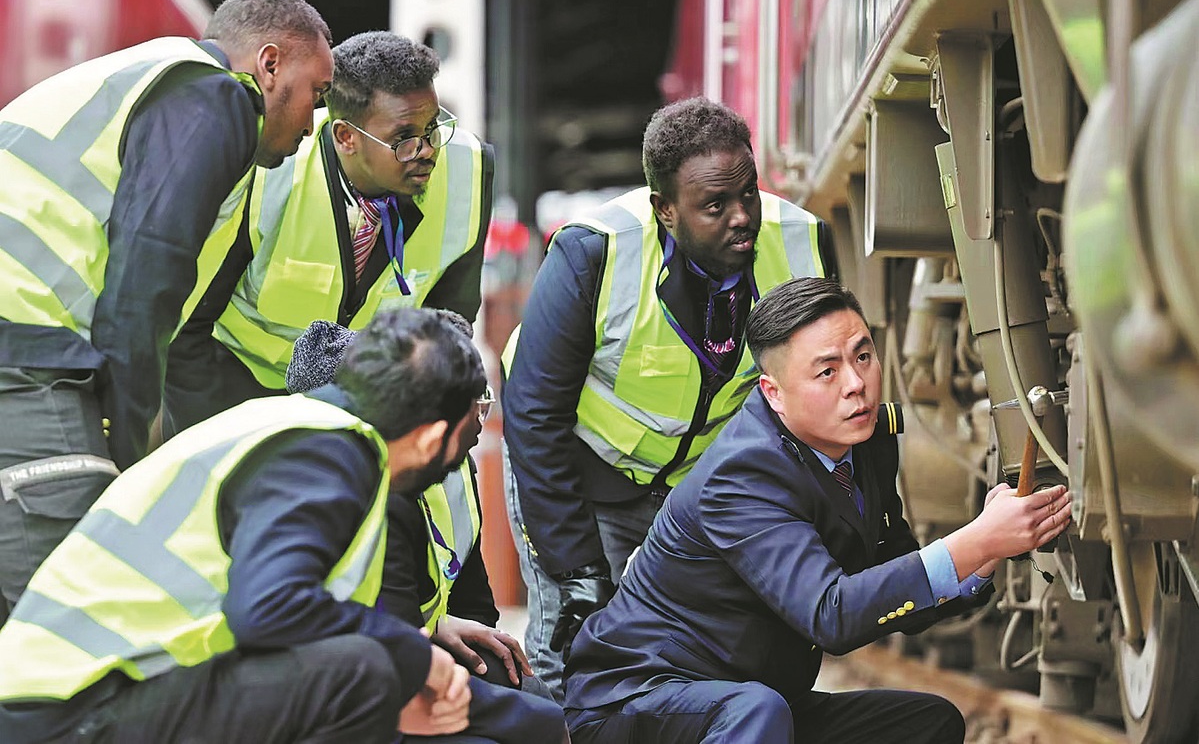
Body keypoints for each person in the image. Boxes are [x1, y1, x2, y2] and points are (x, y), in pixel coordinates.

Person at [0, 308, 565, 744]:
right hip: (75, 711)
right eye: (472, 424)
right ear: (427, 436)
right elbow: (269, 609)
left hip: (87, 695)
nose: (468, 446)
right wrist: (416, 658)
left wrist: (422, 643)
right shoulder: (328, 452)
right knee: (362, 672)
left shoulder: (292, 427)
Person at [563, 277, 1075, 744]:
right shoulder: (741, 477)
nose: (856, 383)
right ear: (774, 394)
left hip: (754, 702)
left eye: (864, 357)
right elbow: (831, 615)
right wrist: (978, 538)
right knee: (755, 711)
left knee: (929, 723)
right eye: (827, 371)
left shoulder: (865, 441)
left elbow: (889, 578)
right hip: (638, 703)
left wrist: (978, 561)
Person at [0, 0, 335, 621]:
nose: (313, 121)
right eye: (315, 93)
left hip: (17, 353)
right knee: (78, 639)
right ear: (268, 66)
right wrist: (122, 456)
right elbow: (146, 281)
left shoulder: (138, 81)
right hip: (26, 365)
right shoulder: (212, 95)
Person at [500, 96, 834, 698]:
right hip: (580, 475)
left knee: (698, 659)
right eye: (714, 206)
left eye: (748, 195)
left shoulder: (803, 246)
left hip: (694, 494)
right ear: (666, 210)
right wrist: (578, 573)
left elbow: (821, 407)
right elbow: (533, 418)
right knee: (569, 662)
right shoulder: (592, 254)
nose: (742, 217)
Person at [163, 30, 493, 435]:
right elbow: (187, 330)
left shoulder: (469, 171)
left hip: (369, 413)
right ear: (346, 137)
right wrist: (228, 444)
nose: (427, 150)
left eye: (434, 127)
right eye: (404, 138)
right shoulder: (266, 167)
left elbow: (451, 326)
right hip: (240, 401)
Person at [285, 318, 547, 697]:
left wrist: (450, 634)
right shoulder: (350, 488)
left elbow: (471, 597)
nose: (477, 414)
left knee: (524, 695)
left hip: (403, 643)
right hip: (328, 669)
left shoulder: (449, 469)